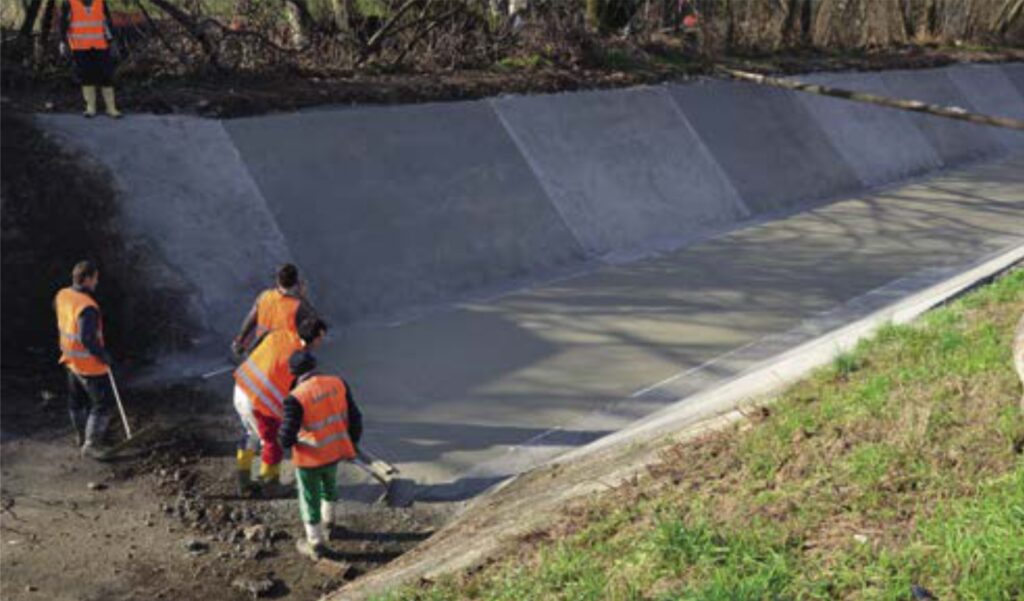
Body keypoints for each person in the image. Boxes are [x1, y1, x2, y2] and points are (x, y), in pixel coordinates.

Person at [278, 339, 362, 560]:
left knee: (309, 498)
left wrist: (281, 440)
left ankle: (315, 543)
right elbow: (355, 418)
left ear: (293, 373)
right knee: (329, 487)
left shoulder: (295, 398)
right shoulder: (338, 382)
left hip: (309, 459)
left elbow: (286, 438)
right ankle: (330, 523)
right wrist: (352, 443)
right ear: (314, 365)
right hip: (334, 451)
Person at [232, 317, 324, 496]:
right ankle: (270, 484)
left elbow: (254, 350)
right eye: (321, 338)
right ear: (315, 338)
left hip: (241, 388)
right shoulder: (301, 357)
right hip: (259, 401)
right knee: (272, 441)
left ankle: (243, 482)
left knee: (251, 434)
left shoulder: (278, 334)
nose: (322, 342)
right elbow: (300, 390)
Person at [54, 260, 114, 459]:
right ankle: (92, 444)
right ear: (87, 278)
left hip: (70, 360)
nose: (97, 282)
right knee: (102, 404)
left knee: (77, 401)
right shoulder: (87, 307)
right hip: (88, 365)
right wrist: (102, 355)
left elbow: (60, 315)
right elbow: (86, 338)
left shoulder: (62, 295)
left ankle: (81, 436)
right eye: (96, 278)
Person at [232, 263, 317, 359]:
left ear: (278, 280)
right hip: (283, 359)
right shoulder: (299, 306)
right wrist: (302, 296)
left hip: (259, 353)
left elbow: (250, 320)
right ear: (296, 281)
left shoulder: (264, 297)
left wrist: (240, 340)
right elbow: (316, 326)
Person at [58, 0, 121, 119]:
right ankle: (90, 107)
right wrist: (62, 42)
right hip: (79, 46)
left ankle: (111, 108)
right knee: (86, 75)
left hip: (101, 44)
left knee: (106, 75)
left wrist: (112, 41)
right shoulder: (69, 3)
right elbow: (63, 23)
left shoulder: (100, 2)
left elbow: (107, 22)